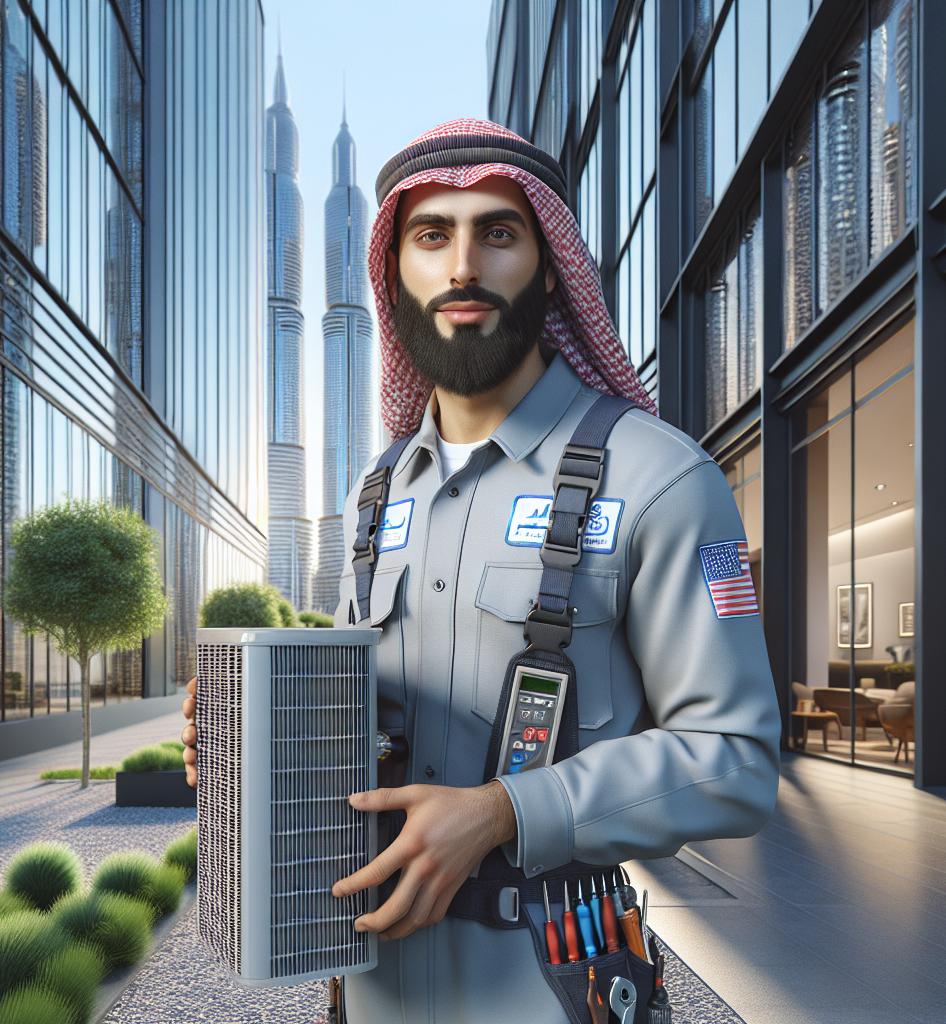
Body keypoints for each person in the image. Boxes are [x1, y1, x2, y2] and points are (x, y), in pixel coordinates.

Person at [182, 119, 780, 1024]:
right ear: (394, 276)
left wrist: (505, 811)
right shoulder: (375, 493)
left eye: (497, 232)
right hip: (369, 986)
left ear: (548, 266)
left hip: (553, 990)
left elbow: (734, 762)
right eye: (433, 236)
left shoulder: (662, 479)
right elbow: (369, 726)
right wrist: (246, 740)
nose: (462, 264)